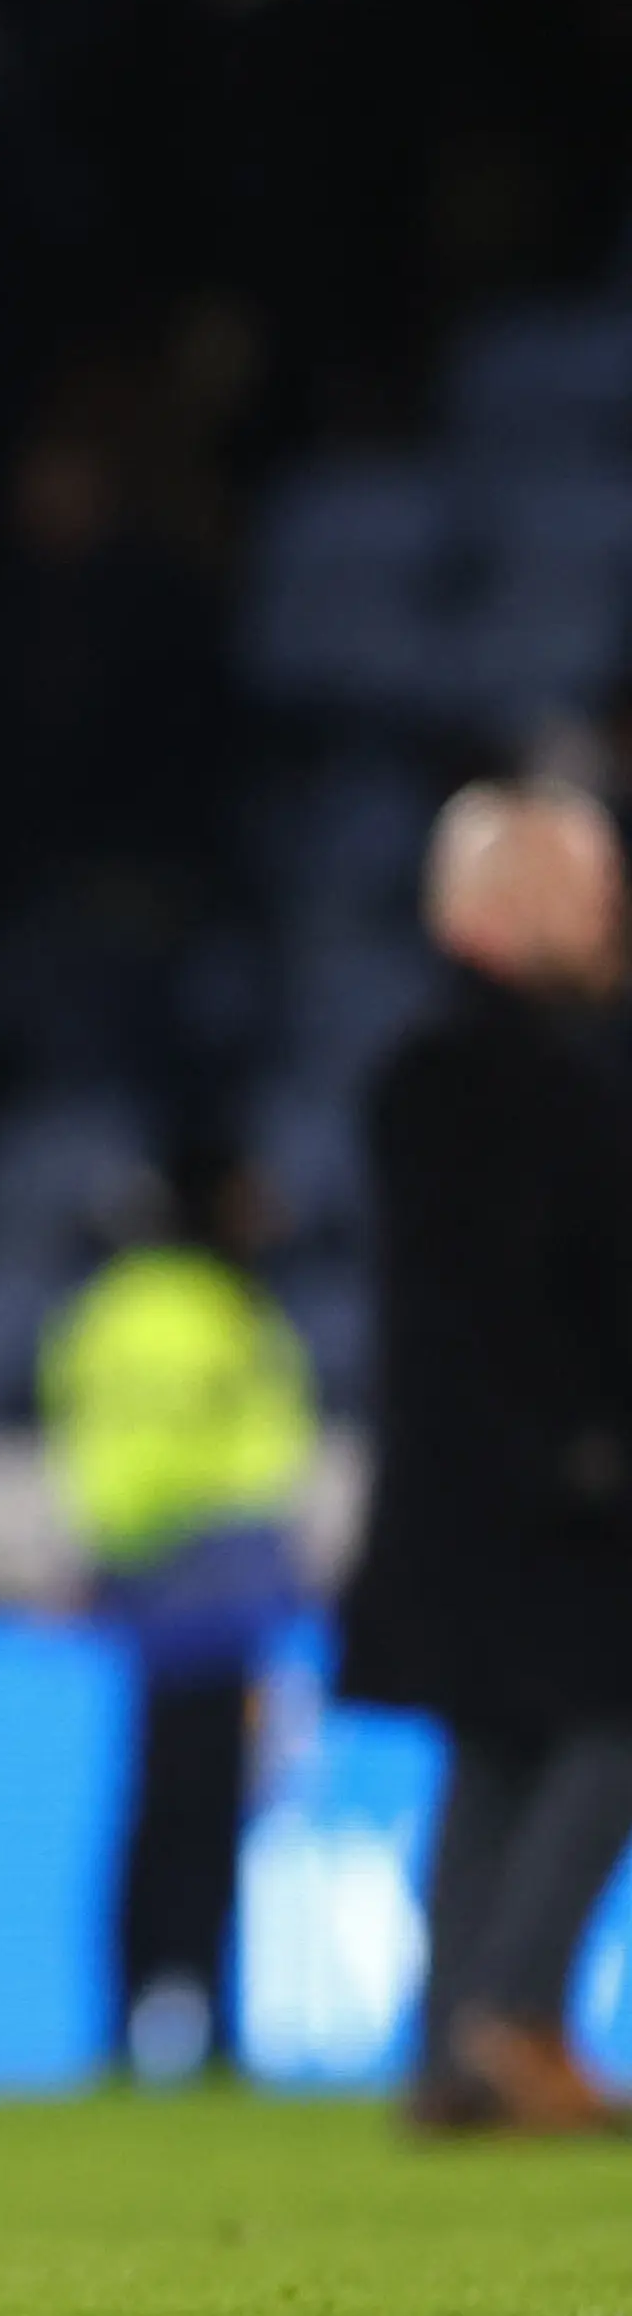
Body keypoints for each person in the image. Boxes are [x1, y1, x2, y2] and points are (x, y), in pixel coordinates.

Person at [339, 782, 632, 2135]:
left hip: (475, 1485)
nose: (613, 914)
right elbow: (528, 1296)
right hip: (541, 1480)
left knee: (502, 1747)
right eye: (591, 891)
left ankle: (455, 2053)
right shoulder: (492, 1072)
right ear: (513, 906)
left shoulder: (445, 1065)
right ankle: (510, 2015)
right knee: (605, 1717)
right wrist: (581, 1445)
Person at [36, 1141, 318, 2084]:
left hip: (146, 1578)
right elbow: (247, 1454)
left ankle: (128, 2025)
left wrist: (115, 1550)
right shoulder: (218, 1312)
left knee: (158, 1810)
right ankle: (212, 2026)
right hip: (214, 1580)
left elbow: (97, 1448)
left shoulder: (109, 1312)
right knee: (204, 1812)